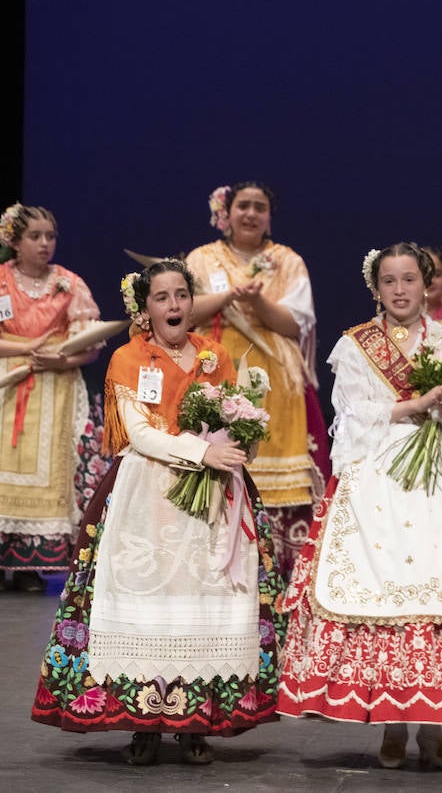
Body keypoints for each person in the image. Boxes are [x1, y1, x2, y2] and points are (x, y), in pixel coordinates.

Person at [277, 243, 442, 769]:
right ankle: (392, 724)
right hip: (378, 474)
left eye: (409, 279)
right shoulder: (355, 346)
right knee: (384, 593)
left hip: (439, 473)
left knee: (441, 590)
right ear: (376, 288)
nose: (399, 290)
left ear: (427, 285)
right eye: (389, 281)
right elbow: (350, 417)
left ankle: (435, 728)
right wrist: (412, 405)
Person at [31, 260, 285, 765]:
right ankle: (143, 724)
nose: (174, 305)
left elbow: (233, 419)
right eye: (162, 297)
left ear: (192, 301)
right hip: (147, 490)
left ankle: (197, 723)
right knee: (144, 596)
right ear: (145, 308)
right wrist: (201, 453)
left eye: (181, 295)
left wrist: (239, 444)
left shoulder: (216, 355)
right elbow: (141, 434)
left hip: (213, 494)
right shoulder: (129, 358)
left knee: (206, 600)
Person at [187, 182, 328, 578]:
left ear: (269, 216)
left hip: (276, 380)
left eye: (259, 207)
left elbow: (295, 323)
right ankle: (215, 567)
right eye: (243, 205)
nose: (250, 213)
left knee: (275, 472)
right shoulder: (202, 258)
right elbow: (187, 311)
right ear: (225, 213)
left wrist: (257, 300)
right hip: (217, 375)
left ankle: (280, 569)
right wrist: (231, 295)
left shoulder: (287, 261)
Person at [0, 203, 102, 589]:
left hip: (55, 387)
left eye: (50, 236)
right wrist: (28, 347)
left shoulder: (69, 284)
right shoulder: (1, 281)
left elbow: (90, 346)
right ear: (15, 241)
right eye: (35, 236)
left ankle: (31, 563)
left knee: (54, 468)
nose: (44, 244)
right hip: (8, 383)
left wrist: (60, 359)